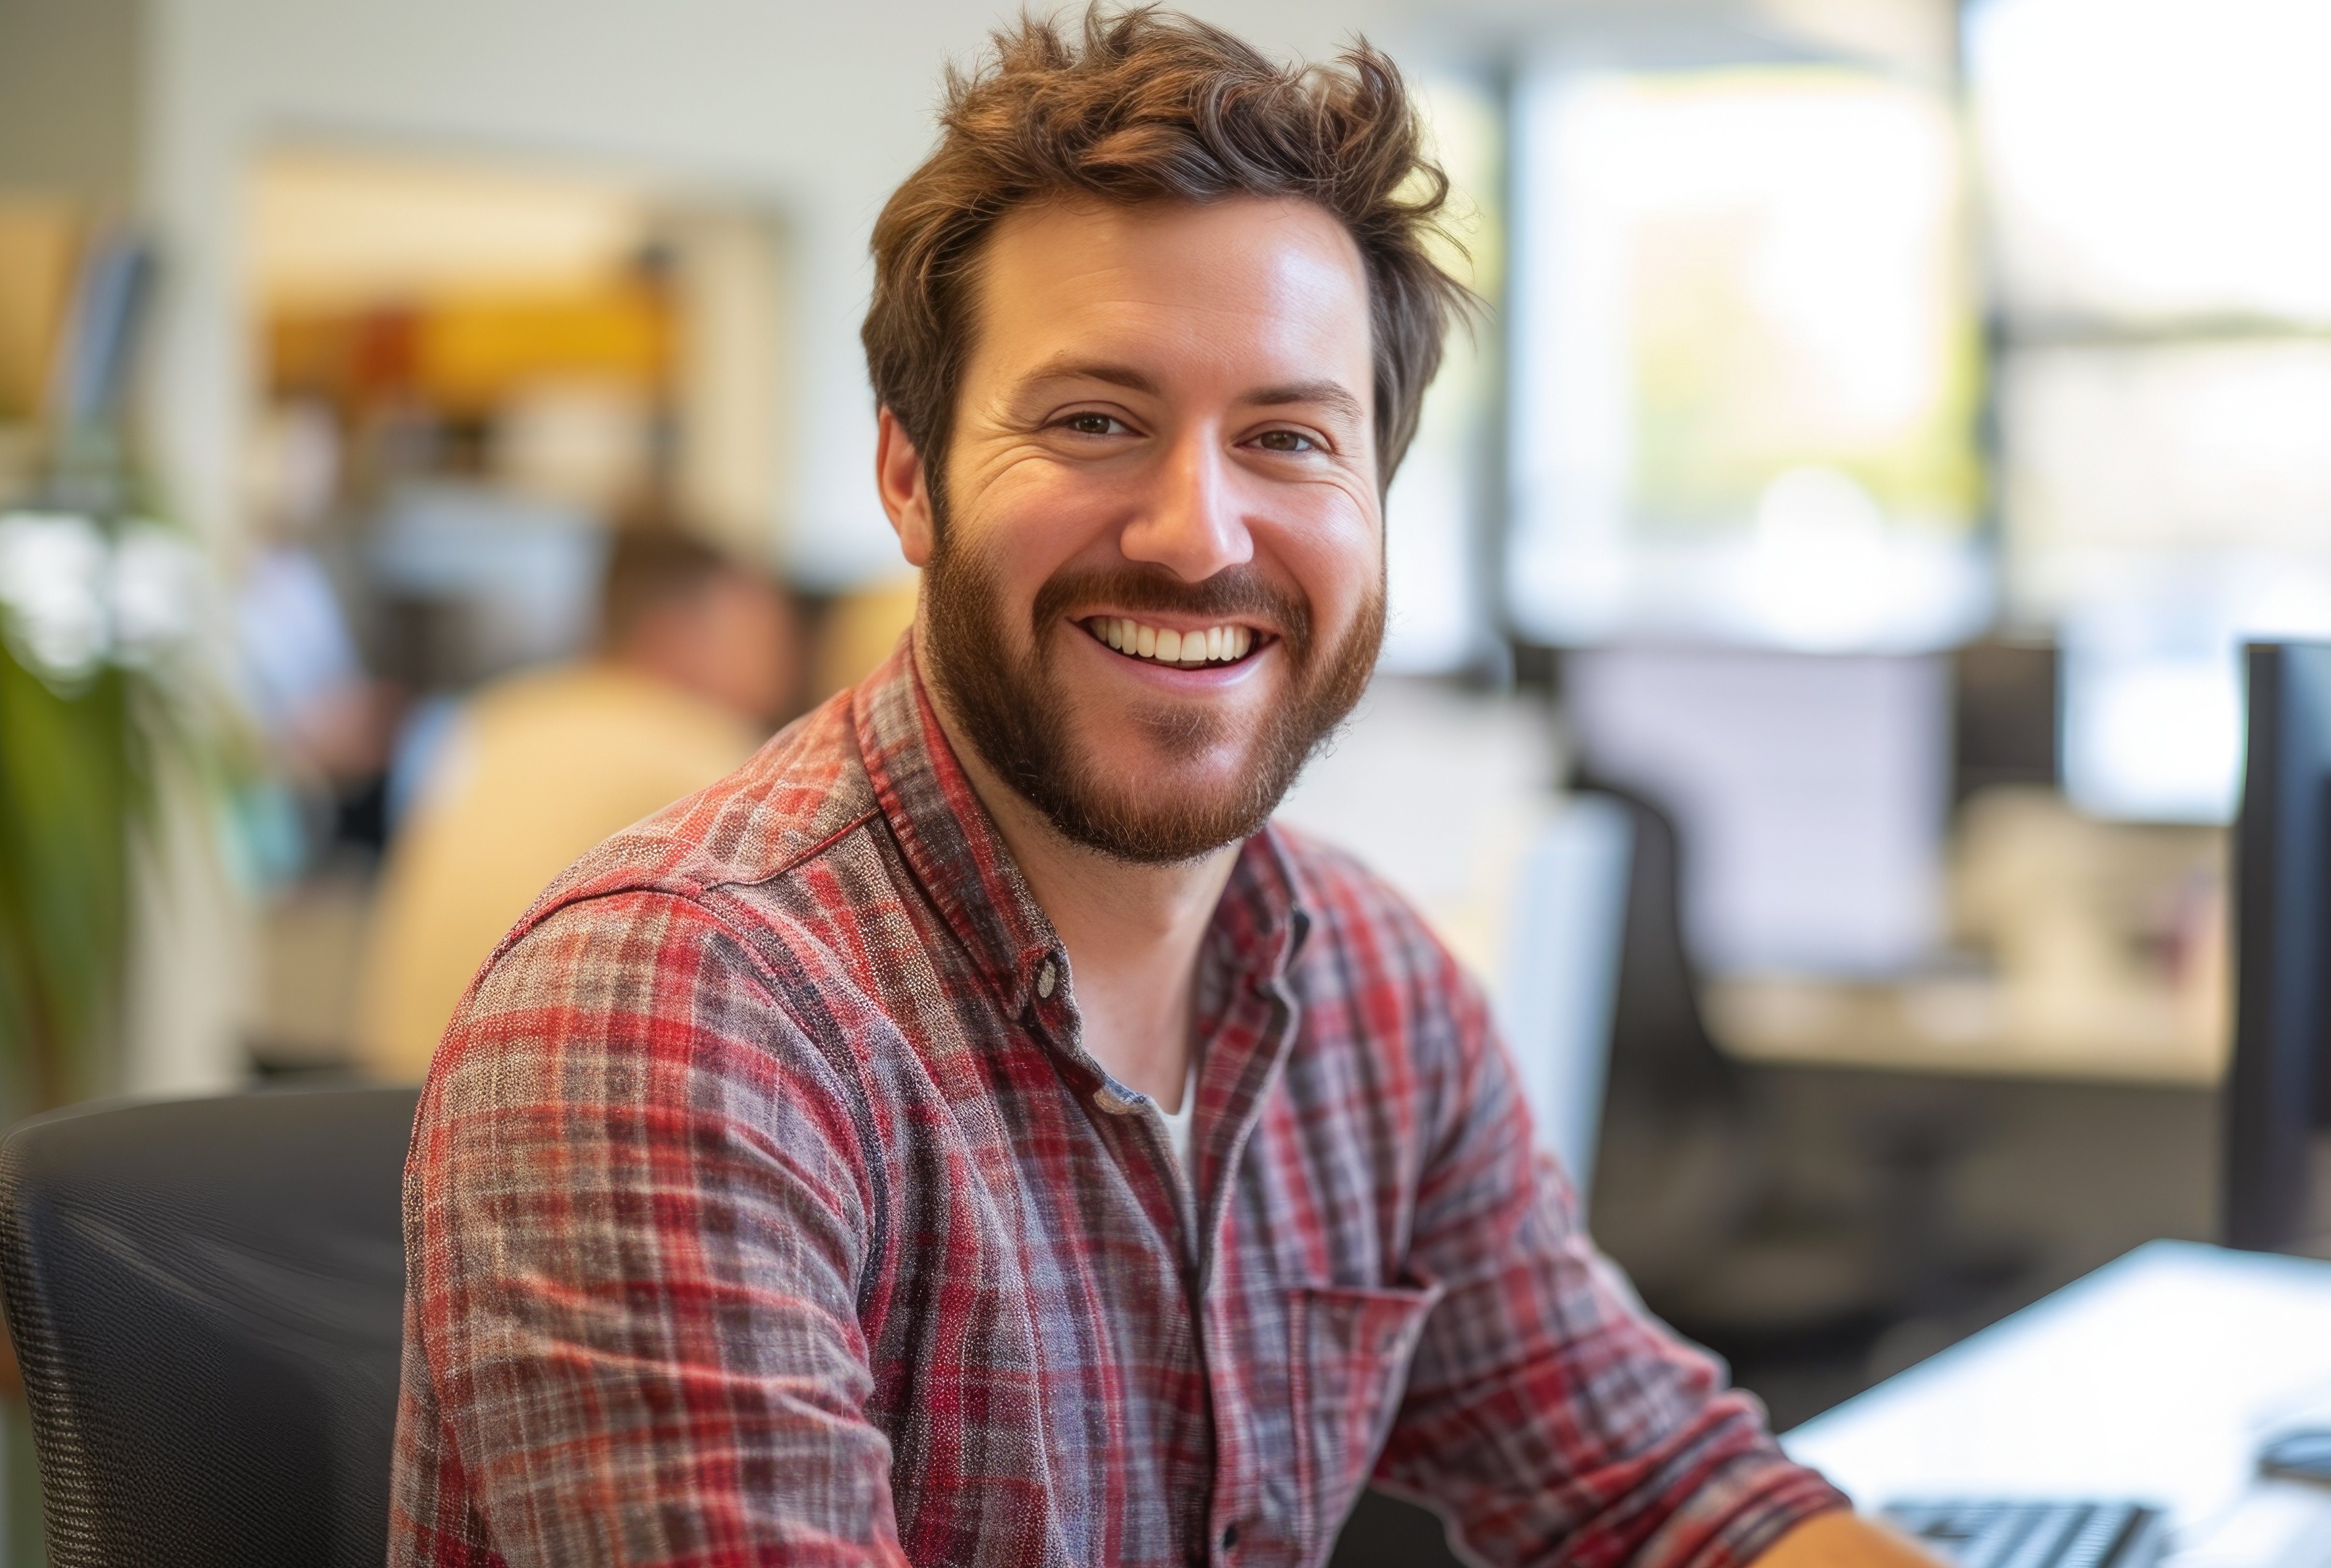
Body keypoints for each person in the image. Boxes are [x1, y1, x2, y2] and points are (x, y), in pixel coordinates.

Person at [390, 13, 1941, 1568]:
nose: (1199, 536)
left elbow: (1669, 1492)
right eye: (1093, 422)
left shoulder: (1373, 991)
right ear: (910, 478)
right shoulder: (679, 1011)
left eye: (1287, 437)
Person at [356, 527, 797, 1079]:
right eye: (759, 632)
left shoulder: (499, 718)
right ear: (675, 634)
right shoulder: (703, 746)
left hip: (389, 1084)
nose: (783, 661)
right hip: (527, 1098)